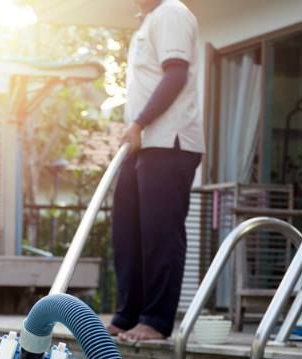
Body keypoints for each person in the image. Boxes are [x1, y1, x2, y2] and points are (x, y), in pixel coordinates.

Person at [108, 0, 204, 341]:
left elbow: (176, 73)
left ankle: (156, 320)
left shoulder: (172, 12)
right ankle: (128, 314)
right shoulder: (148, 21)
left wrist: (139, 122)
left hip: (170, 141)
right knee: (127, 230)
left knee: (159, 232)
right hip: (143, 143)